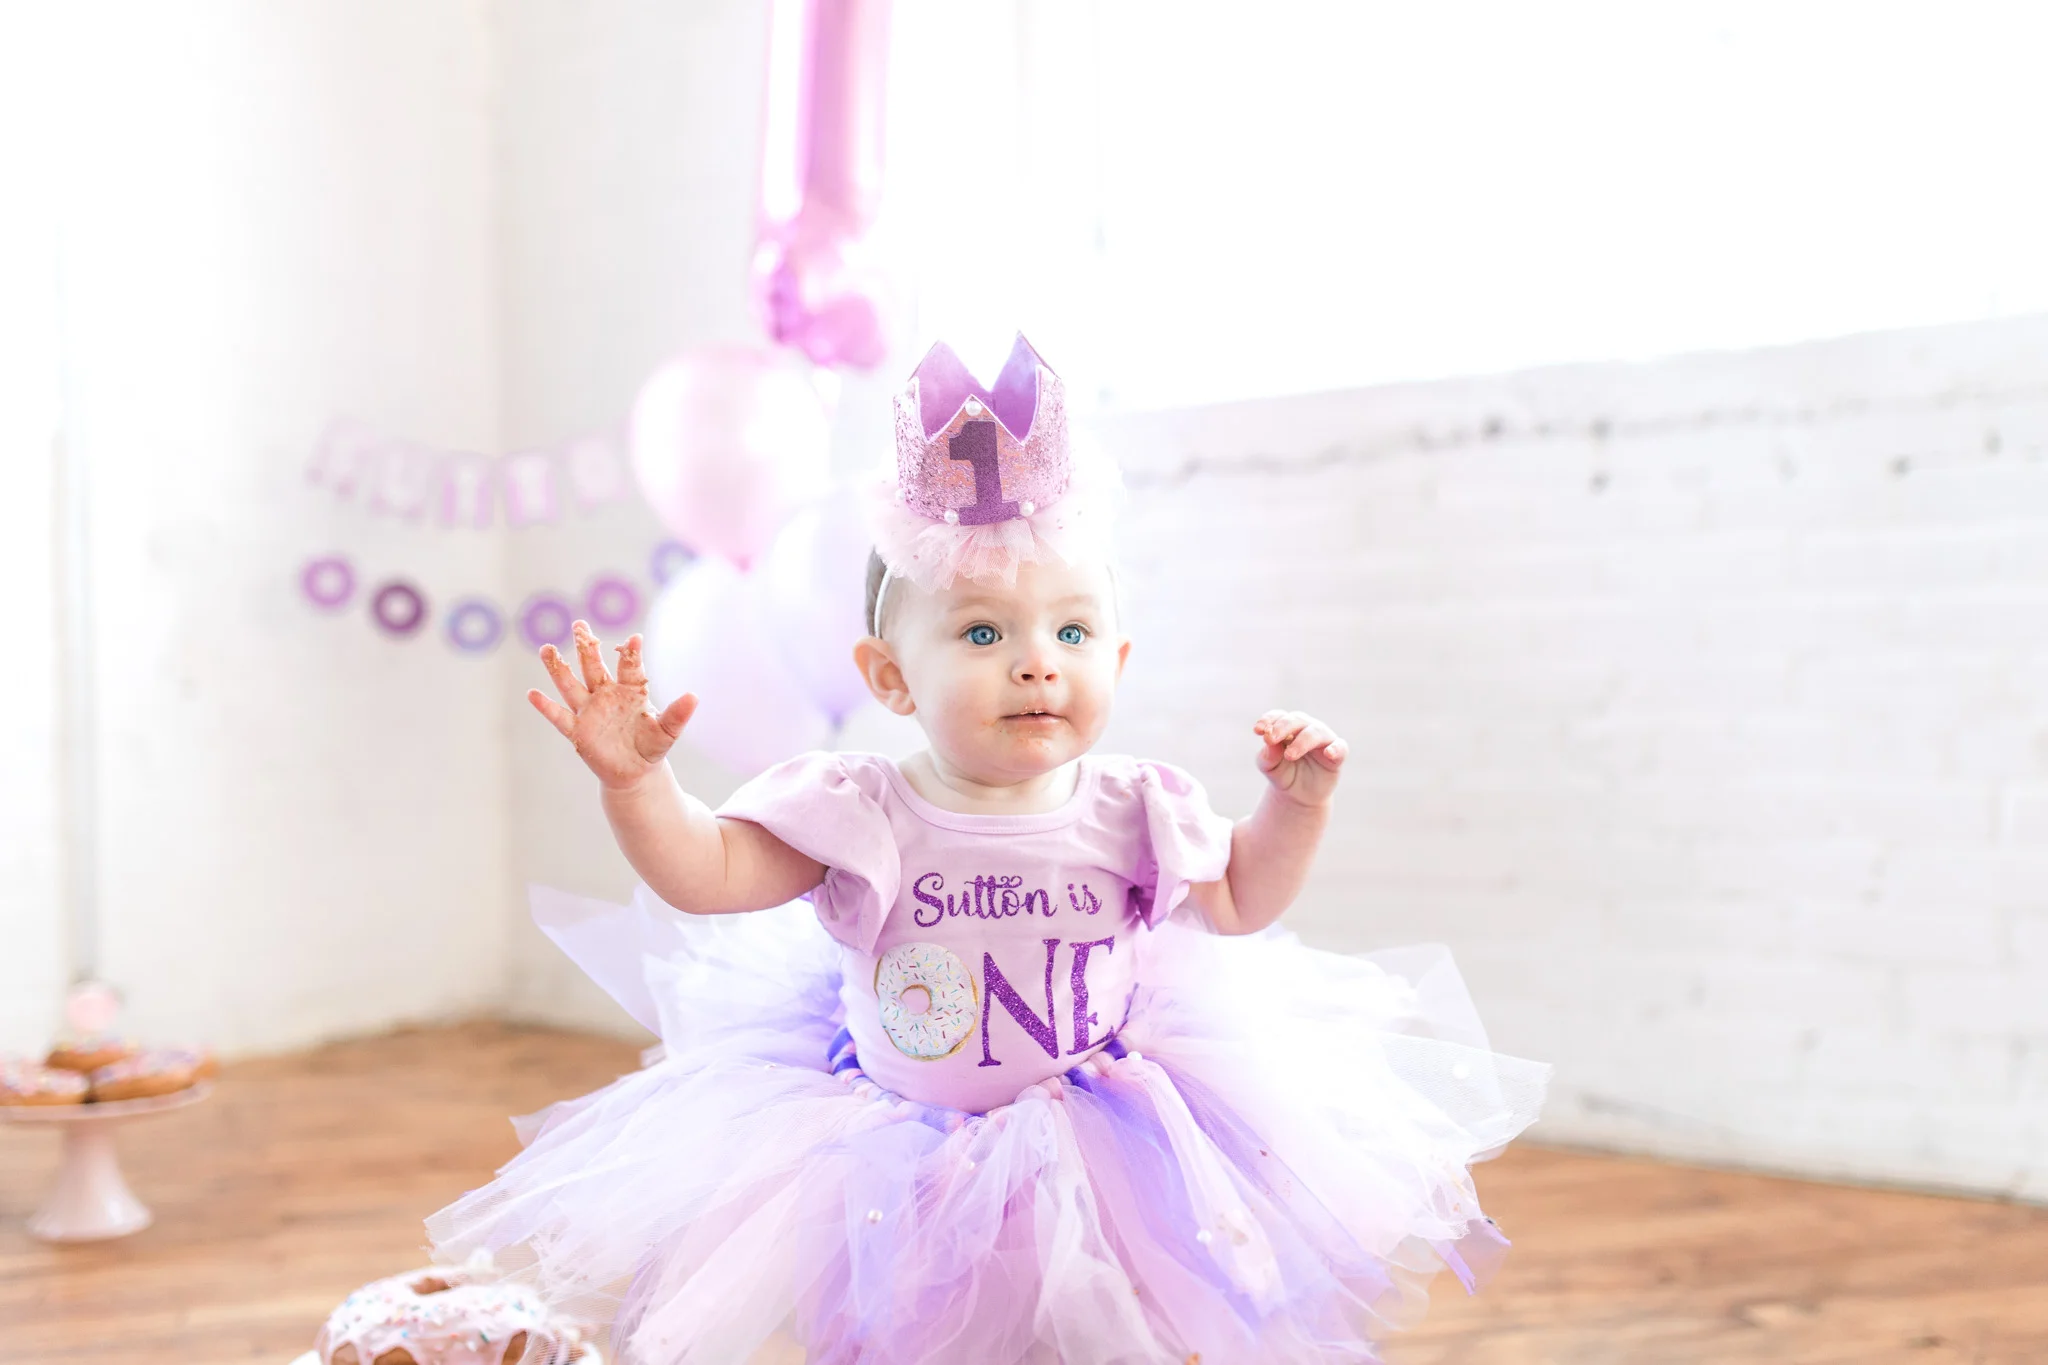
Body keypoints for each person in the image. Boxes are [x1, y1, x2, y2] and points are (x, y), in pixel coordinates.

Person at [428, 336, 1548, 1364]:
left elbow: (1241, 900)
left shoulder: (1133, 806)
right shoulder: (858, 809)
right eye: (981, 633)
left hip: (1103, 1134)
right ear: (887, 676)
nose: (1034, 662)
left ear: (1116, 653)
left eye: (1069, 633)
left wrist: (1292, 808)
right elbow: (705, 875)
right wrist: (639, 784)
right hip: (891, 1154)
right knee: (907, 1331)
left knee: (1111, 1324)